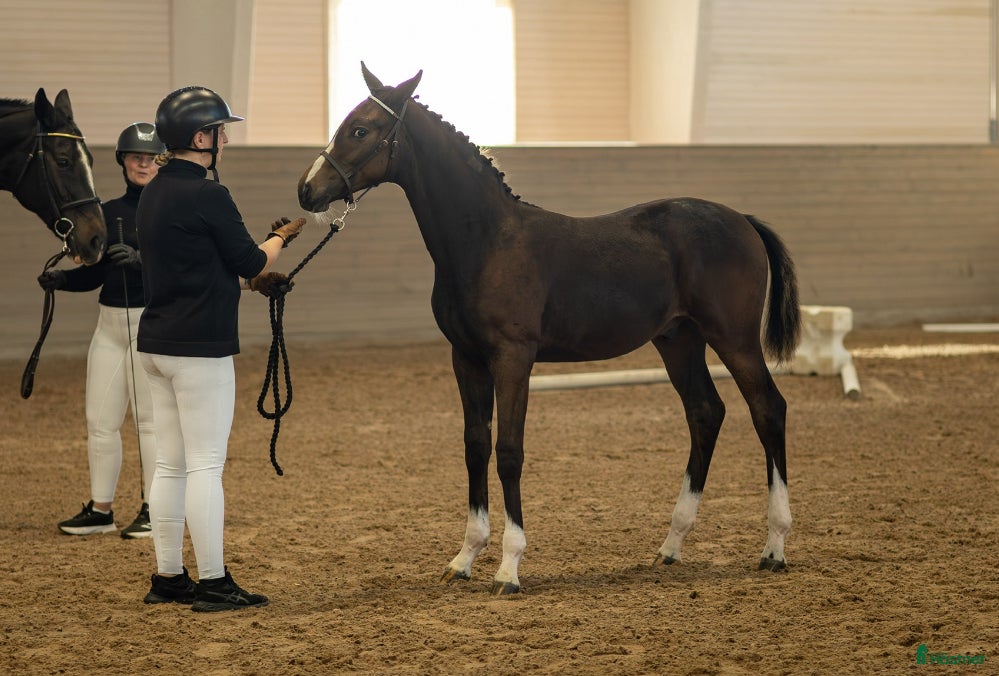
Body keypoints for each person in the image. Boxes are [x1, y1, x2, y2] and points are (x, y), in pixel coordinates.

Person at [136, 86, 305, 611]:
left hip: (157, 343)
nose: (225, 139)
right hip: (199, 349)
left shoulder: (153, 192)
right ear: (199, 138)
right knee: (206, 466)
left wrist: (249, 282)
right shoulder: (210, 194)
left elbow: (199, 266)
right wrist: (280, 239)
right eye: (219, 131)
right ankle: (213, 581)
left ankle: (169, 576)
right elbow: (250, 260)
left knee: (170, 464)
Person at [40, 122, 165, 539]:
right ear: (123, 161)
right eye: (136, 157)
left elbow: (183, 268)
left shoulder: (169, 210)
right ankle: (101, 509)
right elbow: (95, 275)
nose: (143, 164)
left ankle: (154, 508)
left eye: (150, 158)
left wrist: (143, 263)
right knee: (100, 421)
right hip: (108, 326)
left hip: (149, 324)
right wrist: (63, 280)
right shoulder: (107, 212)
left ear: (162, 162)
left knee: (149, 423)